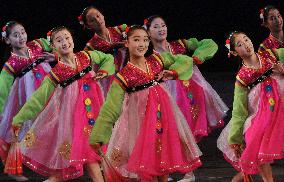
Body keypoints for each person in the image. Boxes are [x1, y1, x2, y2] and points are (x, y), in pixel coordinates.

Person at [89, 25, 202, 181]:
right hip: (140, 126)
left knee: (163, 164)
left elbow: (183, 60)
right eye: (136, 40)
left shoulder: (156, 60)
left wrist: (173, 71)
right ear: (126, 43)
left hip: (162, 118)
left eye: (145, 40)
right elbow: (110, 108)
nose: (141, 44)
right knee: (147, 169)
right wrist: (98, 136)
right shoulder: (124, 75)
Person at [12, 26, 115, 182]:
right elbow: (38, 99)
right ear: (53, 47)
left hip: (94, 112)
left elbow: (107, 58)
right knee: (90, 157)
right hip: (75, 121)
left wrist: (104, 71)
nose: (65, 42)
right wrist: (19, 119)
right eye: (59, 40)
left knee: (72, 166)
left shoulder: (86, 57)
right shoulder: (57, 73)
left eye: (67, 38)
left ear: (72, 40)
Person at [145, 15, 228, 181]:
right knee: (166, 131)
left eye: (163, 25)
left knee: (187, 131)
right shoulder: (150, 55)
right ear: (147, 32)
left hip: (189, 94)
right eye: (156, 26)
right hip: (166, 95)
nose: (161, 29)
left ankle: (189, 173)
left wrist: (196, 58)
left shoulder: (180, 45)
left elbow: (209, 44)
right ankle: (164, 172)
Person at [217, 31, 284, 182]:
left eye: (246, 39)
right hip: (262, 112)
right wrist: (235, 138)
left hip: (281, 101)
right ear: (234, 52)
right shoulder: (242, 76)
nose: (246, 44)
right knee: (255, 139)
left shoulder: (270, 55)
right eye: (240, 44)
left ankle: (242, 175)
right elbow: (239, 110)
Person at [0, 21, 52, 181]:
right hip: (28, 95)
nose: (21, 37)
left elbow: (57, 40)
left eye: (22, 32)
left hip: (48, 87)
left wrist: (55, 55)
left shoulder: (36, 45)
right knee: (26, 127)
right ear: (8, 40)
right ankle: (12, 169)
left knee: (52, 119)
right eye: (15, 35)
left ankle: (53, 162)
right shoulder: (11, 64)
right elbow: (3, 88)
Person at [78, 6, 127, 96]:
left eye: (98, 16)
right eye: (92, 20)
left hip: (127, 74)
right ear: (88, 26)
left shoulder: (120, 30)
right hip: (109, 81)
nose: (97, 20)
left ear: (102, 15)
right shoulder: (91, 45)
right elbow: (82, 61)